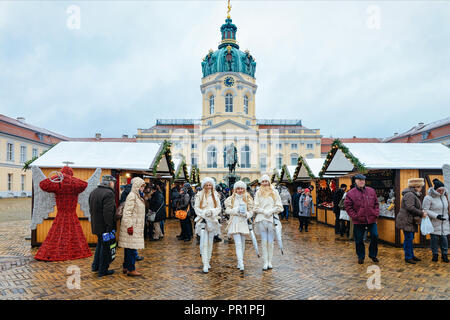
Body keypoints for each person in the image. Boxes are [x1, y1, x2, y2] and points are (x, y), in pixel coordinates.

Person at [344, 174, 380, 264]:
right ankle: (361, 256)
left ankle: (373, 255)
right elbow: (348, 207)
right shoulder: (350, 193)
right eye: (359, 180)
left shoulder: (371, 191)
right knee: (359, 239)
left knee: (375, 236)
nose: (361, 182)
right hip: (359, 221)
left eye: (363, 180)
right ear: (355, 181)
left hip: (371, 219)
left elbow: (376, 203)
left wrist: (376, 213)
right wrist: (355, 216)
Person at [253, 174, 283, 271]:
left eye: (266, 181)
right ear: (261, 183)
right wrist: (263, 211)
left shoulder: (275, 192)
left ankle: (270, 261)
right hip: (261, 219)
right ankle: (265, 261)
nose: (265, 183)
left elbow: (279, 206)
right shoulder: (258, 192)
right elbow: (255, 206)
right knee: (264, 241)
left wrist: (271, 211)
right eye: (263, 181)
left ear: (269, 182)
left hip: (271, 218)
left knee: (270, 241)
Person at [89, 175, 117, 277]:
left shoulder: (94, 192)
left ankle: (95, 266)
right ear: (109, 183)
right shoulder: (109, 193)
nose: (114, 184)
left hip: (96, 226)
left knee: (100, 245)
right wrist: (109, 227)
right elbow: (108, 213)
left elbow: (91, 210)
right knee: (105, 248)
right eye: (113, 182)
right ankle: (103, 270)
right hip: (106, 228)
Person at [118, 177, 146, 277]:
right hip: (132, 226)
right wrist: (129, 226)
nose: (142, 189)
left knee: (129, 247)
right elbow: (127, 213)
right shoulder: (132, 196)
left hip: (135, 226)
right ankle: (131, 269)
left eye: (143, 187)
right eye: (141, 187)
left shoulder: (137, 196)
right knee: (131, 248)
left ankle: (126, 266)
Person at [396, 178, 427, 264]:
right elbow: (410, 207)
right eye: (421, 186)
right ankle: (408, 257)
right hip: (406, 220)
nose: (421, 188)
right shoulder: (410, 194)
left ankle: (411, 255)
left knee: (410, 238)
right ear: (416, 186)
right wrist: (421, 213)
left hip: (409, 220)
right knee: (408, 239)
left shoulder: (413, 194)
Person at [194, 177, 222, 273]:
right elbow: (196, 207)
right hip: (202, 220)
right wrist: (203, 213)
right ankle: (205, 263)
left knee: (210, 242)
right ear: (204, 186)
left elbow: (219, 207)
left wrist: (212, 212)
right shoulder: (199, 195)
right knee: (204, 242)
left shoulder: (216, 195)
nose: (208, 187)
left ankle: (208, 260)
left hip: (212, 220)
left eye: (210, 185)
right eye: (207, 185)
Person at [224, 180, 254, 271]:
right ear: (235, 189)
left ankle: (240, 261)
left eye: (242, 188)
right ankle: (241, 263)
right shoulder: (231, 199)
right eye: (238, 188)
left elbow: (252, 211)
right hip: (235, 222)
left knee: (243, 243)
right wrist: (235, 210)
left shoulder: (248, 198)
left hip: (244, 221)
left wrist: (247, 214)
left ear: (244, 189)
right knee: (238, 243)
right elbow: (227, 211)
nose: (240, 190)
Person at [422, 179, 449, 263]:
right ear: (435, 189)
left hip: (444, 222)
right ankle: (435, 255)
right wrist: (436, 216)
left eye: (442, 190)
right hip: (434, 221)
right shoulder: (428, 198)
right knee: (434, 239)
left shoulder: (445, 197)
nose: (441, 191)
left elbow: (447, 209)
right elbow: (425, 209)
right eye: (439, 190)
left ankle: (444, 255)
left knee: (444, 239)